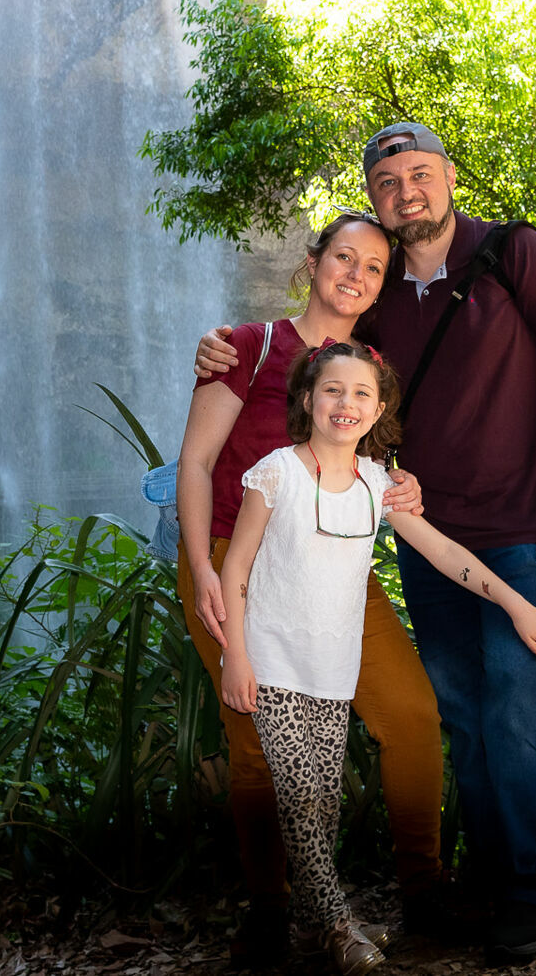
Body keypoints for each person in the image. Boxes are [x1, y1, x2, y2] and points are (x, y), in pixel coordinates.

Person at [197, 122, 536, 963]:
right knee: (452, 711)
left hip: (512, 532)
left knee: (500, 708)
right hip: (360, 546)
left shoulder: (512, 258)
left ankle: (508, 898)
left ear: (450, 176)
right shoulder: (320, 319)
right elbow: (244, 426)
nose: (405, 192)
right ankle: (419, 895)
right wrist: (218, 348)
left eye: (420, 174)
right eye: (387, 184)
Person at [220, 341, 536, 976]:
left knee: (323, 801)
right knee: (301, 798)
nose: (344, 404)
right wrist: (235, 655)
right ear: (306, 400)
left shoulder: (378, 486)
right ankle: (338, 928)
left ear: (379, 412)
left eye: (360, 395)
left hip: (333, 670)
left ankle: (315, 924)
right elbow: (236, 566)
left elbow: (445, 554)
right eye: (331, 391)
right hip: (272, 663)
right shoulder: (277, 473)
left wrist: (518, 605)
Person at [178, 211, 446, 964]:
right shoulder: (251, 347)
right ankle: (273, 914)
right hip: (235, 562)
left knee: (412, 714)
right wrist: (200, 567)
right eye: (343, 257)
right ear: (312, 261)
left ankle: (422, 895)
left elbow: (373, 466)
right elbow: (195, 462)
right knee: (256, 743)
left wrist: (406, 486)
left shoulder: (368, 365)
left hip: (335, 571)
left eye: (372, 267)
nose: (355, 274)